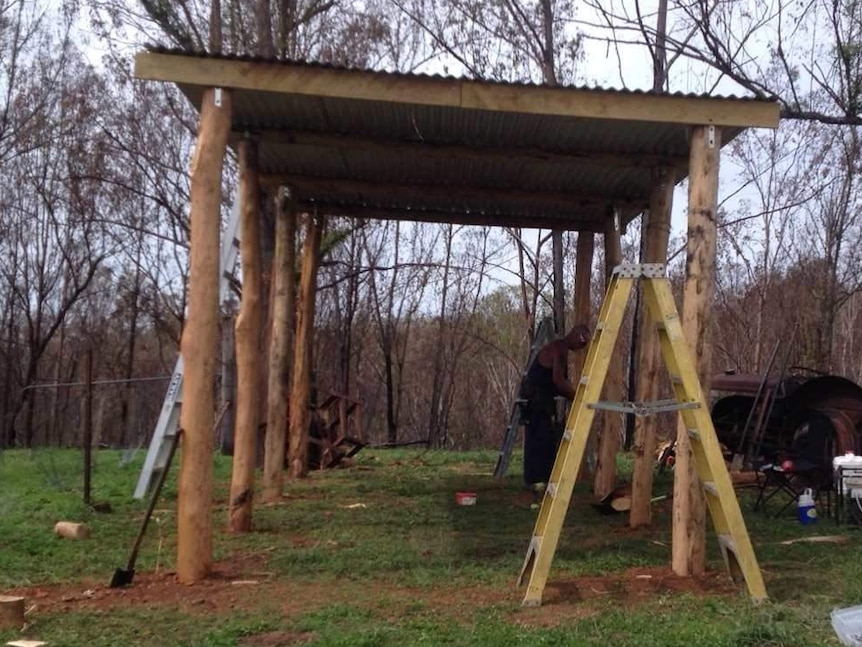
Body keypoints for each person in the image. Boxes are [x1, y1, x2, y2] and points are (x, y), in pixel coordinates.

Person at [521, 324, 591, 492]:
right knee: (540, 439)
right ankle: (536, 481)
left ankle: (542, 480)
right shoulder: (557, 349)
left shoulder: (562, 351)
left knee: (546, 439)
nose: (581, 347)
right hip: (535, 400)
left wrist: (573, 397)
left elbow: (558, 384)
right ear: (575, 335)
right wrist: (578, 397)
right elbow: (558, 381)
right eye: (582, 342)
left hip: (542, 400)